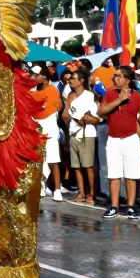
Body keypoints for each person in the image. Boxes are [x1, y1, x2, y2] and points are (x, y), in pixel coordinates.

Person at [97, 65, 140, 219]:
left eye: (118, 76)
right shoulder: (110, 93)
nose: (115, 78)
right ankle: (114, 205)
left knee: (131, 174)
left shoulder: (137, 95)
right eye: (115, 76)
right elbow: (101, 111)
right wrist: (119, 100)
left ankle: (131, 206)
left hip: (131, 138)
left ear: (127, 79)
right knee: (114, 173)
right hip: (113, 138)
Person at [65, 70, 99, 205]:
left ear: (81, 81)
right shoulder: (70, 96)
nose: (70, 80)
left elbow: (96, 118)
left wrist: (86, 118)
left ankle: (92, 194)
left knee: (88, 166)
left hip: (86, 133)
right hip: (73, 132)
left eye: (73, 78)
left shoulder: (90, 96)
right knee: (76, 166)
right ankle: (81, 193)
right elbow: (66, 114)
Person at [31, 68, 64, 200]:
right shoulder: (32, 91)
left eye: (37, 75)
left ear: (44, 76)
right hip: (37, 130)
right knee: (38, 161)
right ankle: (41, 185)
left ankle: (57, 189)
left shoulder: (53, 90)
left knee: (53, 161)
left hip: (50, 130)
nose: (35, 77)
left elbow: (53, 107)